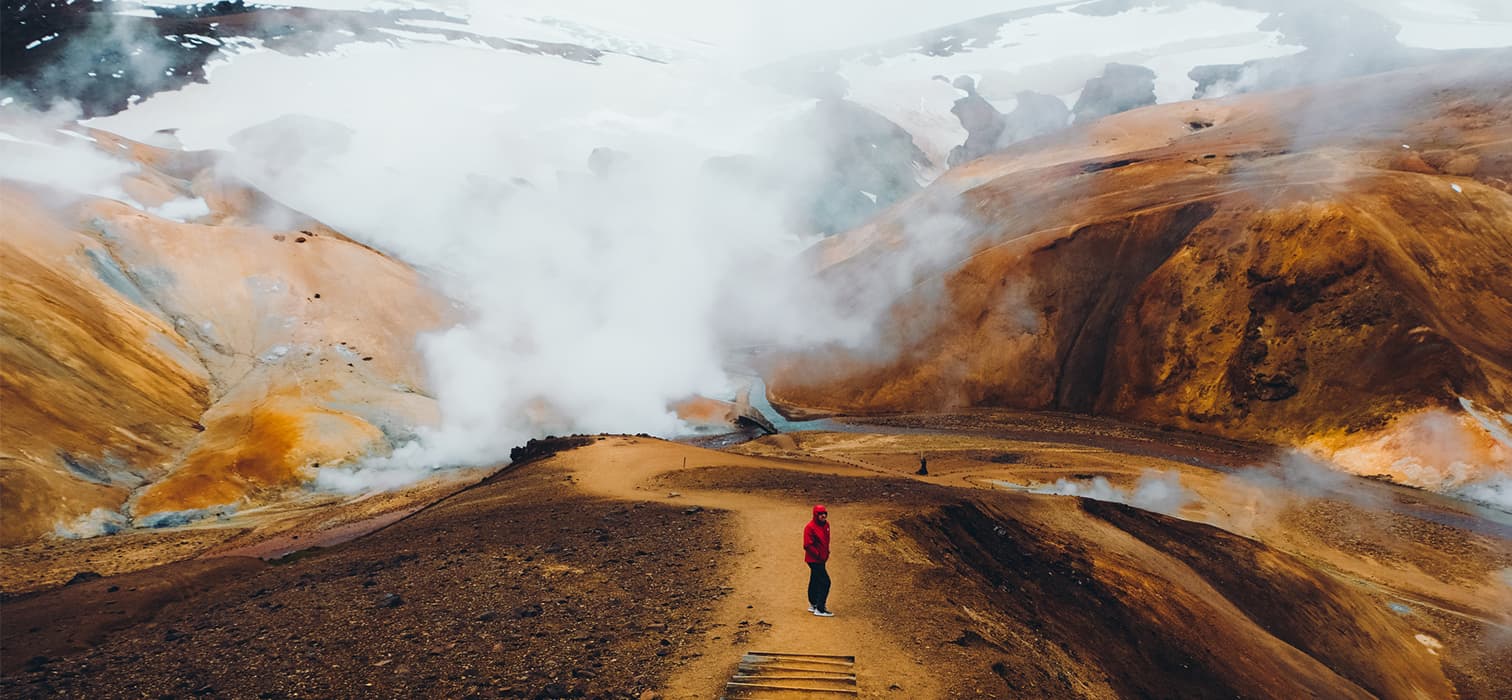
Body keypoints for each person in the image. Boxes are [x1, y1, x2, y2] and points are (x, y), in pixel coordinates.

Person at [803, 504, 833, 617]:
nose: (823, 516)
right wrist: (818, 554)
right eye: (820, 514)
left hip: (821, 559)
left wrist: (826, 553)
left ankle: (813, 604)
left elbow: (826, 540)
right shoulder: (810, 527)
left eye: (824, 513)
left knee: (815, 580)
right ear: (816, 515)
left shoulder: (826, 525)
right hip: (814, 560)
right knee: (825, 582)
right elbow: (807, 545)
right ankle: (820, 608)